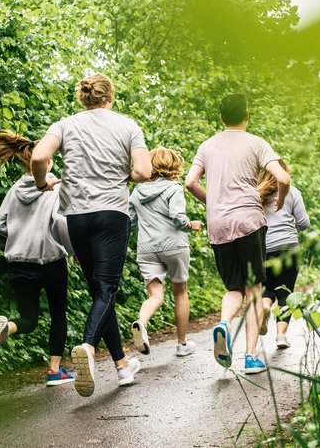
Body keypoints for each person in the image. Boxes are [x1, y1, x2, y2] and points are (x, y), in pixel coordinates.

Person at [30, 73, 152, 397]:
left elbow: (39, 157)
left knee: (99, 290)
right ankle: (87, 345)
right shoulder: (128, 126)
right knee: (107, 289)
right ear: (110, 95)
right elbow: (144, 172)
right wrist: (120, 173)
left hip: (76, 217)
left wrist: (43, 184)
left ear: (83, 97)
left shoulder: (65, 125)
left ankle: (123, 366)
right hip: (111, 213)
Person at [185, 94, 291, 375]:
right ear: (247, 115)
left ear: (221, 117)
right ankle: (251, 356)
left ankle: (223, 324)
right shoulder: (256, 143)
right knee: (255, 289)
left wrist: (212, 203)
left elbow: (189, 182)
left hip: (218, 224)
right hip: (249, 221)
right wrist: (279, 201)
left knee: (234, 288)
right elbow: (283, 178)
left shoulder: (207, 146)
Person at [0, 131, 75, 387]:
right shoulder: (54, 186)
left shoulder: (15, 189)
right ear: (46, 160)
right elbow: (61, 222)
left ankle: (7, 328)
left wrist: (21, 233)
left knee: (28, 319)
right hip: (50, 260)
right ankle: (54, 371)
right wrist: (74, 252)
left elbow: (0, 225)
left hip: (19, 261)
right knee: (58, 314)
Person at [128, 147, 203, 358]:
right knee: (180, 292)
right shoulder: (174, 188)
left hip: (147, 249)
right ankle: (182, 344)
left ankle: (141, 323)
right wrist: (191, 225)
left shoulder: (137, 192)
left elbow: (130, 223)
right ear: (174, 166)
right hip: (174, 246)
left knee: (155, 295)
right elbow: (177, 216)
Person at [257, 162, 310, 349]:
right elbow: (304, 223)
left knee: (267, 287)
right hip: (288, 248)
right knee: (285, 293)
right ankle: (281, 336)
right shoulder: (293, 192)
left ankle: (264, 306)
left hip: (263, 249)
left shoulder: (256, 194)